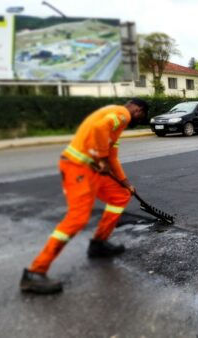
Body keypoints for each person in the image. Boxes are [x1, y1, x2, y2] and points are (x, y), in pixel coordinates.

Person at [20, 98, 149, 294]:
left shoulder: (115, 121)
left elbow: (112, 157)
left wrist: (126, 183)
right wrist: (102, 158)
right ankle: (35, 273)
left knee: (120, 195)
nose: (137, 119)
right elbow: (99, 129)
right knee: (78, 218)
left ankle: (98, 244)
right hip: (77, 168)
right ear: (137, 109)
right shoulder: (122, 114)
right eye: (141, 115)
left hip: (91, 169)